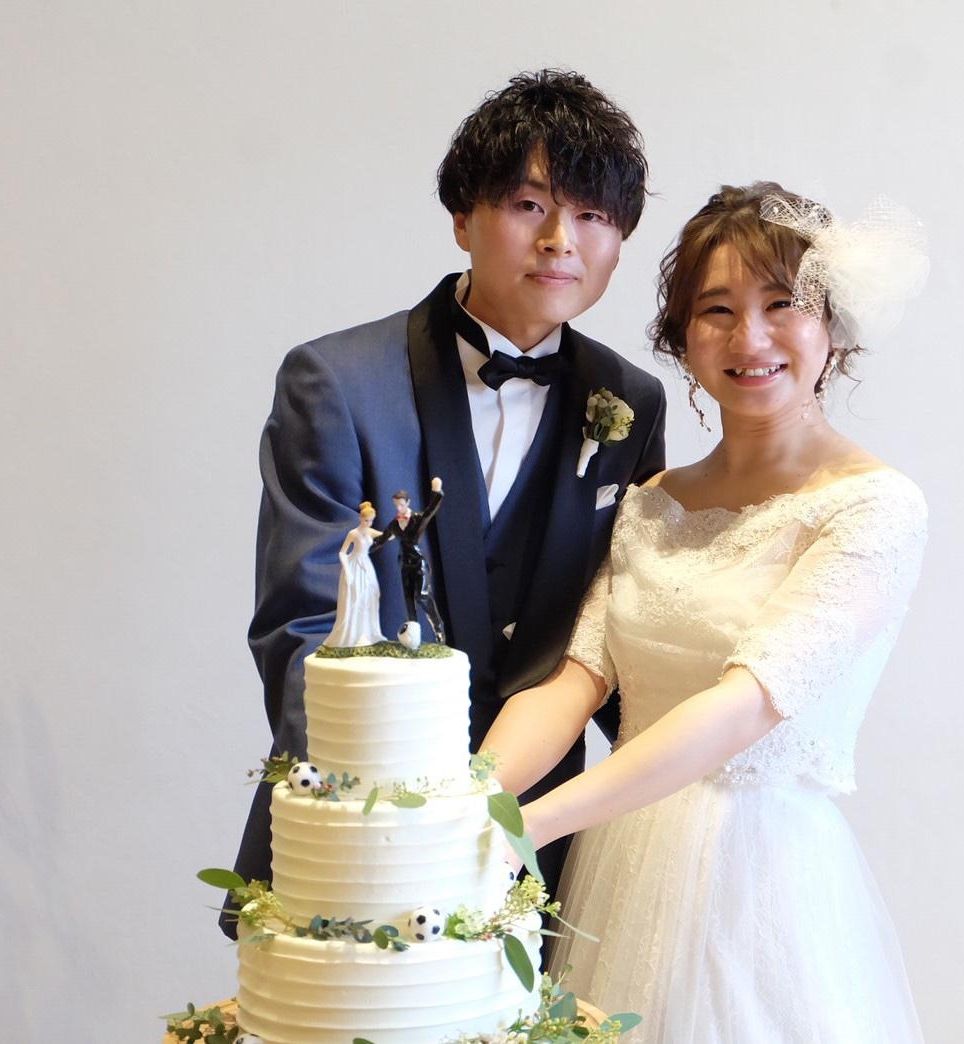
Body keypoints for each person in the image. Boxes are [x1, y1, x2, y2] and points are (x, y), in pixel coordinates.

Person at [221, 70, 667, 935]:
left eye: (592, 216)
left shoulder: (629, 403)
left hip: (539, 843)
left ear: (619, 242)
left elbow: (614, 631)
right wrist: (385, 811)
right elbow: (301, 624)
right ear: (463, 217)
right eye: (529, 206)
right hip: (362, 832)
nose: (560, 242)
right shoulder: (338, 382)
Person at [482, 183, 929, 1041]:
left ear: (832, 328)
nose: (749, 338)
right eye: (716, 310)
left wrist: (527, 824)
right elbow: (576, 678)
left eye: (782, 305)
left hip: (760, 880)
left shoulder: (874, 508)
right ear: (682, 338)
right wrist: (464, 798)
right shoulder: (652, 502)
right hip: (621, 864)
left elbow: (746, 703)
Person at [372, 478, 446, 643]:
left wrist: (436, 492)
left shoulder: (417, 518)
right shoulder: (394, 524)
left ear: (408, 503)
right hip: (405, 564)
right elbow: (382, 539)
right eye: (396, 505)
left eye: (401, 504)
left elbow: (430, 511)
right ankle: (413, 637)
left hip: (418, 563)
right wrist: (364, 549)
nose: (398, 508)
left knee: (422, 595)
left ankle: (438, 627)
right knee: (408, 602)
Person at [322, 500, 386, 648]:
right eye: (366, 520)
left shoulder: (370, 531)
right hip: (355, 565)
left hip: (366, 565)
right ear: (360, 518)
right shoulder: (353, 533)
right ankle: (352, 635)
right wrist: (347, 570)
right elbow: (342, 552)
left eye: (371, 521)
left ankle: (366, 632)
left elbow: (388, 535)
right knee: (355, 597)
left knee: (371, 596)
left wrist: (400, 523)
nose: (368, 523)